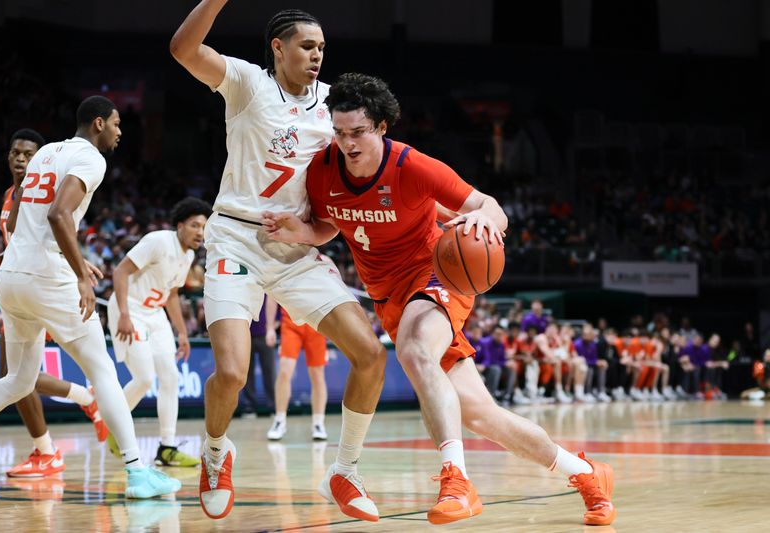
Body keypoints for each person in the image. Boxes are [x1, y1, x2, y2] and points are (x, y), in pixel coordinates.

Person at [263, 73, 617, 526]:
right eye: (340, 132)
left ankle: (457, 480)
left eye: (358, 133)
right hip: (388, 296)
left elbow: (491, 207)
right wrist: (304, 231)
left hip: (436, 274)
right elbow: (331, 223)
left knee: (412, 347)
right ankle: (588, 474)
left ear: (381, 127)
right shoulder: (322, 171)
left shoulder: (413, 167)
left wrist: (484, 223)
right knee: (481, 414)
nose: (347, 143)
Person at [170, 3, 387, 521]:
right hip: (237, 239)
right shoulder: (247, 83)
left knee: (372, 356)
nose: (316, 56)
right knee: (231, 373)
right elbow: (183, 50)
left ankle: (345, 469)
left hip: (296, 248)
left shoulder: (335, 106)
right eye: (307, 46)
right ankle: (216, 452)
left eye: (321, 49)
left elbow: (347, 192)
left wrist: (315, 231)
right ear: (278, 48)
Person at [0, 96, 180, 498]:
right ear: (99, 123)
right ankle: (138, 472)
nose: (121, 132)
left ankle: (125, 465)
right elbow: (57, 215)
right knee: (102, 369)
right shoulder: (92, 160)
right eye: (117, 124)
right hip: (47, 278)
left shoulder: (47, 151)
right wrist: (81, 273)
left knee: (17, 380)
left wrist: (75, 258)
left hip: (11, 276)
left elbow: (18, 219)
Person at [0, 128, 108, 479]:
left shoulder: (49, 188)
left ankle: (49, 446)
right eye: (15, 153)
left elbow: (56, 234)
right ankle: (73, 416)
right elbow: (23, 246)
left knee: (18, 377)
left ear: (41, 159)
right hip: (21, 282)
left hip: (47, 288)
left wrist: (77, 266)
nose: (20, 159)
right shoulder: (9, 195)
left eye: (28, 154)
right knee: (17, 377)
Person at [107, 197, 212, 467]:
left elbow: (172, 294)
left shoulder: (188, 255)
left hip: (154, 315)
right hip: (129, 309)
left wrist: (183, 333)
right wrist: (125, 315)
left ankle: (167, 447)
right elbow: (120, 272)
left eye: (204, 227)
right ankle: (112, 425)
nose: (201, 232)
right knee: (143, 379)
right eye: (195, 225)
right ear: (179, 226)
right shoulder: (158, 241)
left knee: (170, 377)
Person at [267, 302, 329, 441]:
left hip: (316, 322)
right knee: (284, 371)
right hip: (291, 322)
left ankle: (318, 423)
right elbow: (271, 296)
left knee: (317, 374)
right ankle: (279, 420)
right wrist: (270, 327)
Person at [241, 295, 278, 417]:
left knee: (270, 372)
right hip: (246, 334)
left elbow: (278, 315)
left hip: (265, 335)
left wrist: (271, 329)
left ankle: (274, 407)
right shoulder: (245, 288)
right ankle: (249, 407)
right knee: (247, 373)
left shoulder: (268, 287)